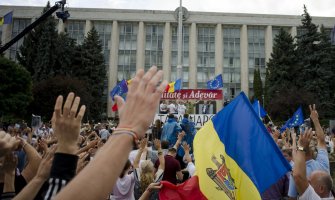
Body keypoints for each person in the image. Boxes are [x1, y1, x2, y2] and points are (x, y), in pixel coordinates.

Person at [54, 66, 167, 199]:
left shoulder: (135, 177)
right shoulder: (148, 179)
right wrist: (127, 130)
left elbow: (136, 164)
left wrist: (64, 149)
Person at [288, 105, 330, 198]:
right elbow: (322, 141)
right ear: (312, 149)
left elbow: (292, 197)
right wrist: (315, 119)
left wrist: (298, 143)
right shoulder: (323, 164)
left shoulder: (295, 170)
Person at [292, 128, 334, 199]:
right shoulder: (323, 165)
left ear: (321, 189)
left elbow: (298, 177)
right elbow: (322, 141)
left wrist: (300, 146)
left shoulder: (295, 168)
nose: (306, 180)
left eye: (310, 182)